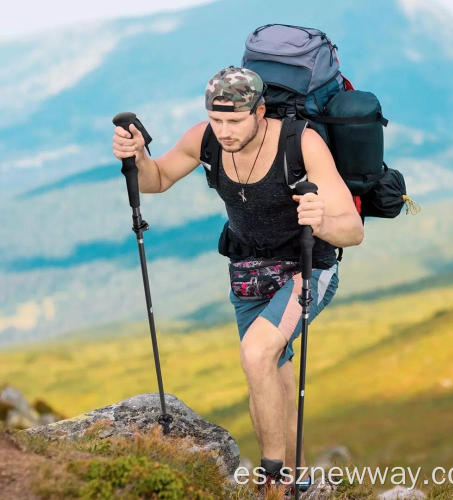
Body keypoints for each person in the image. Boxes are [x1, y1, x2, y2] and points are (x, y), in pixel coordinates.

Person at [112, 66, 363, 496]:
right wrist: (136, 157)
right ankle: (296, 478)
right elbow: (157, 180)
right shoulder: (204, 139)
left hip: (309, 267)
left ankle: (271, 481)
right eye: (216, 119)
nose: (224, 131)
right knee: (270, 368)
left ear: (260, 112)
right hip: (247, 271)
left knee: (257, 352)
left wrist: (320, 222)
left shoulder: (300, 143)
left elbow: (352, 231)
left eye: (234, 121)